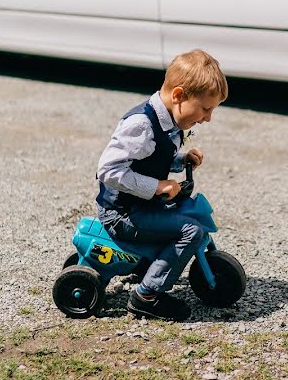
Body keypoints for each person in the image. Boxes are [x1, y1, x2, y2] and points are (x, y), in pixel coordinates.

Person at [95, 49, 228, 321]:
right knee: (192, 231)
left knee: (182, 214)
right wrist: (156, 187)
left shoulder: (170, 119)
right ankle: (147, 296)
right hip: (122, 214)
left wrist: (181, 159)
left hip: (139, 206)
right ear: (178, 96)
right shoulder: (141, 125)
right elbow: (108, 170)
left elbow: (150, 156)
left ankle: (147, 264)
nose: (207, 118)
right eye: (205, 108)